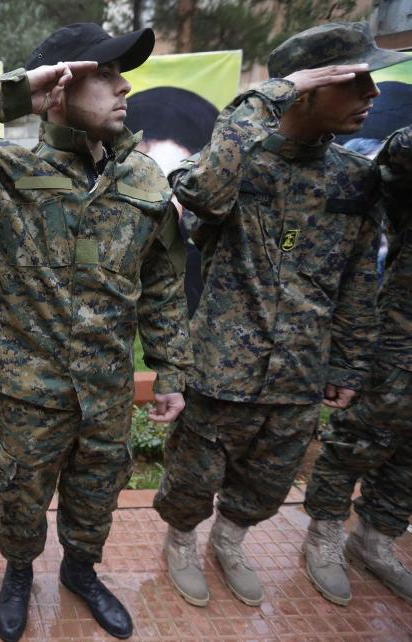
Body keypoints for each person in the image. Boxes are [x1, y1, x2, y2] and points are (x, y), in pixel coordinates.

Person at [0, 22, 192, 641]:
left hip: (105, 394)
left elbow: (159, 284)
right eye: (104, 72)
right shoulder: (1, 172)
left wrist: (171, 369)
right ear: (59, 86)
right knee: (20, 500)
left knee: (96, 496)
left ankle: (80, 571)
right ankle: (18, 574)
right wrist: (16, 92)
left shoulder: (145, 180)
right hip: (29, 396)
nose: (123, 84)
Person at [153, 22, 409, 609]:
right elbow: (203, 195)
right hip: (224, 366)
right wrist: (260, 100)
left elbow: (356, 279)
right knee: (193, 475)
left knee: (268, 478)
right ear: (306, 89)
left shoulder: (354, 177)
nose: (373, 95)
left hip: (299, 370)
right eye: (356, 81)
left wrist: (346, 362)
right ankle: (183, 540)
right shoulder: (235, 164)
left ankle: (231, 539)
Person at [302, 125, 412, 606]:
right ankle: (325, 534)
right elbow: (399, 152)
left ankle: (376, 540)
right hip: (402, 342)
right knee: (359, 438)